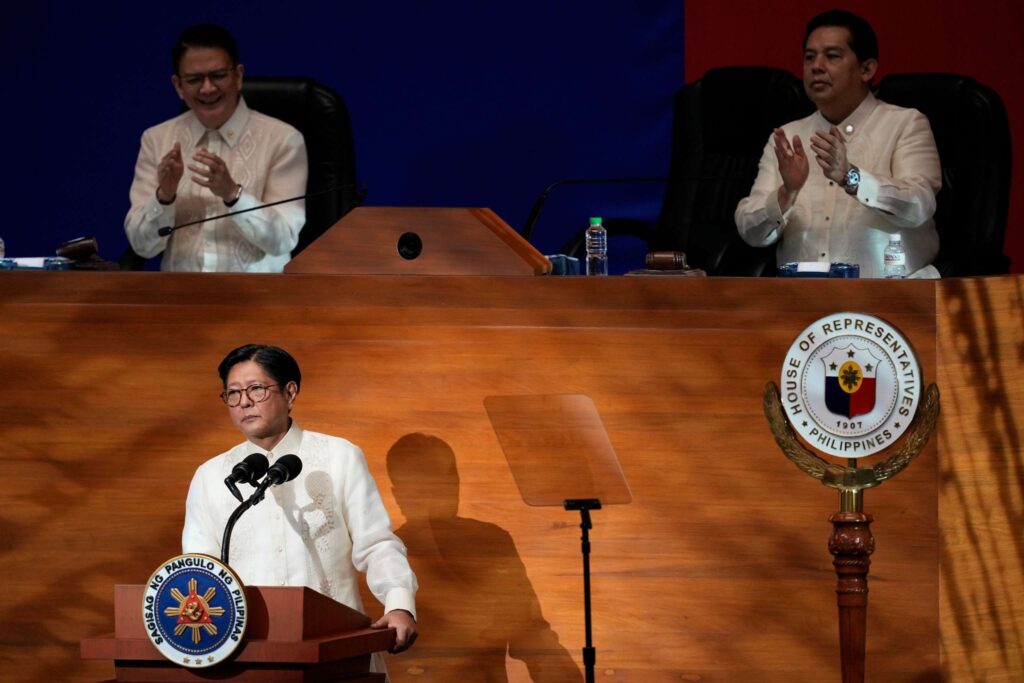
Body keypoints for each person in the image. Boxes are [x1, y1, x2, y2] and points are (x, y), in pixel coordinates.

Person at [182, 344, 418, 670]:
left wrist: (399, 604)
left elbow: (376, 543)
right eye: (233, 393)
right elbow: (197, 570)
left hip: (335, 651)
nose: (244, 402)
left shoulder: (338, 457)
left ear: (290, 392)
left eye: (256, 389)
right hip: (245, 657)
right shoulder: (212, 476)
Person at [735, 10, 941, 278]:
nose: (816, 66)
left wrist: (851, 177)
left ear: (866, 69)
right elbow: (750, 230)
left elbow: (918, 205)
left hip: (890, 297)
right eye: (810, 57)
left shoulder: (905, 123)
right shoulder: (788, 136)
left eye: (832, 56)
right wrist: (787, 194)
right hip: (803, 300)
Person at [125, 24, 307, 271]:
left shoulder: (283, 140)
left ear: (238, 76)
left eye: (218, 76)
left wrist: (233, 194)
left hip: (259, 301)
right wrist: (164, 197)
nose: (207, 88)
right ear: (178, 86)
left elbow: (283, 240)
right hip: (181, 300)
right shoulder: (157, 139)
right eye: (194, 79)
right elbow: (142, 247)